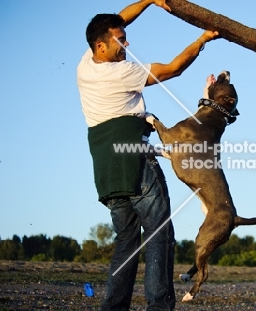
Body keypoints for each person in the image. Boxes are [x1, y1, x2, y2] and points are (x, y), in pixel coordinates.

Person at [76, 0, 219, 310]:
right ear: (101, 46)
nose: (127, 43)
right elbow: (173, 69)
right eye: (121, 40)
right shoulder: (121, 73)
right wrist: (203, 40)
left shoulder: (86, 64)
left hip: (106, 167)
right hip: (133, 159)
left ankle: (114, 308)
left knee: (126, 241)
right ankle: (159, 306)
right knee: (159, 233)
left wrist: (149, 1)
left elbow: (118, 19)